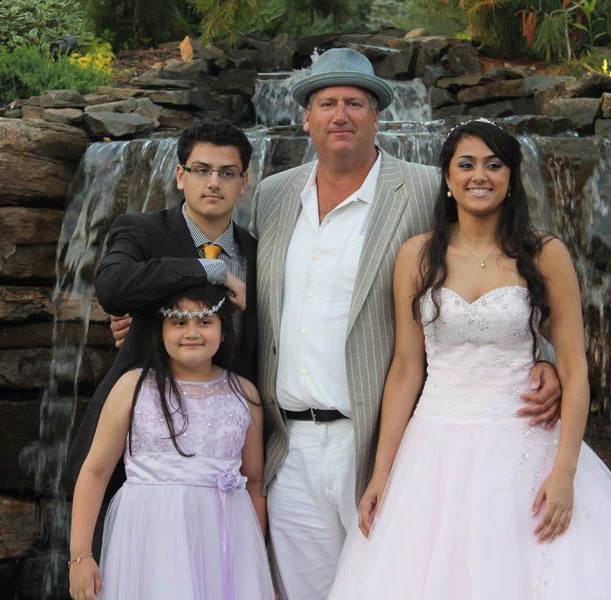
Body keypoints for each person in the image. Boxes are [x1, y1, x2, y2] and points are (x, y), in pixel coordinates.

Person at [327, 119, 611, 599]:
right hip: (433, 446)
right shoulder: (416, 256)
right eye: (467, 164)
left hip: (524, 444)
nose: (481, 175)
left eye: (495, 165)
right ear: (448, 179)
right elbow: (406, 369)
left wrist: (564, 473)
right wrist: (382, 473)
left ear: (512, 177)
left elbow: (576, 368)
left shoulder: (545, 254)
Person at [251, 49, 562, 599]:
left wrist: (543, 359)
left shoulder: (425, 187)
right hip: (291, 446)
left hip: (384, 440)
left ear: (377, 116)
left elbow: (507, 262)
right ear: (305, 116)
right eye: (327, 103)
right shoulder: (274, 195)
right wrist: (148, 308)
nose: (340, 114)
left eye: (355, 102)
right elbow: (230, 274)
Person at [65, 118, 258, 557]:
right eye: (201, 170)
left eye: (227, 173)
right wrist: (211, 270)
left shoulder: (258, 251)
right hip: (137, 457)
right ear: (179, 175)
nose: (214, 182)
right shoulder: (140, 230)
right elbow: (112, 287)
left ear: (243, 182)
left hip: (223, 460)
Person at [68, 284, 274, 600]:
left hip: (223, 542)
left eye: (205, 321)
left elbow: (254, 483)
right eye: (179, 322)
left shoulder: (244, 394)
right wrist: (80, 555)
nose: (192, 332)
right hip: (151, 541)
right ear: (160, 329)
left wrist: (255, 568)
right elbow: (95, 471)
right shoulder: (133, 387)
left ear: (223, 330)